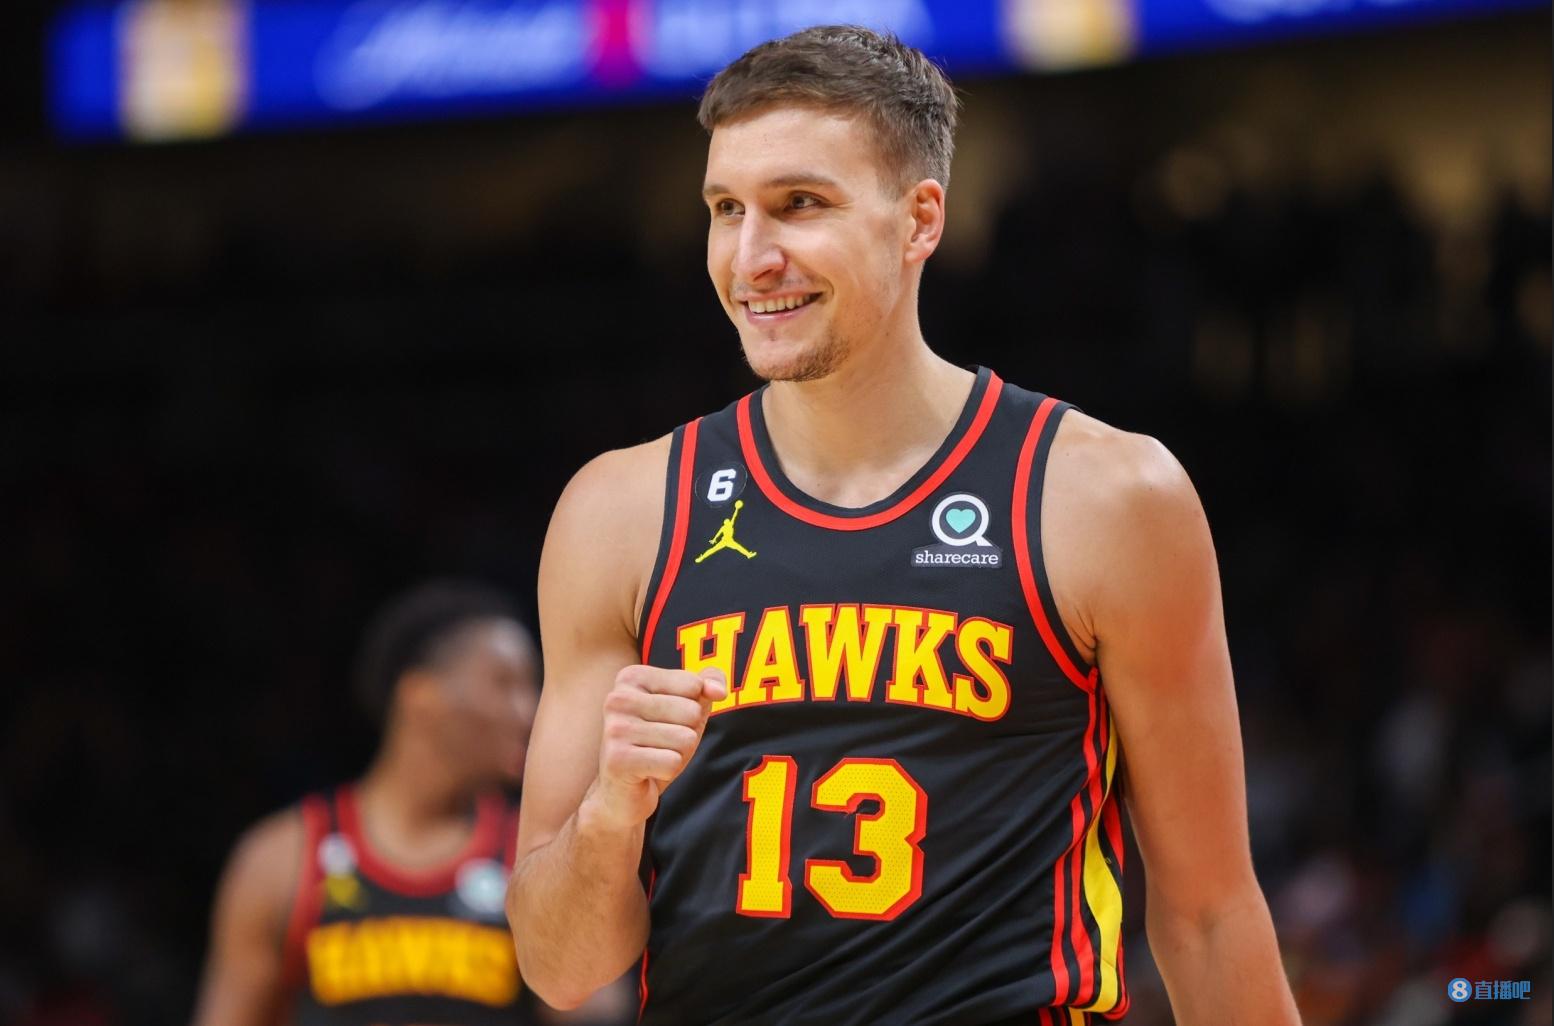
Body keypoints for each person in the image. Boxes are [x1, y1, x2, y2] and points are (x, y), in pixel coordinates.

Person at [508, 25, 1302, 1026]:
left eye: (800, 204)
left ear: (921, 219)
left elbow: (1211, 914)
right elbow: (559, 966)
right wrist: (610, 811)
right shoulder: (620, 513)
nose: (751, 258)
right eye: (725, 210)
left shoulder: (1105, 497)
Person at [194, 581, 557, 1026]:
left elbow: (596, 1006)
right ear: (420, 695)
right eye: (504, 684)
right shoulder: (282, 858)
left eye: (532, 687)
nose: (529, 711)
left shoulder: (533, 854)